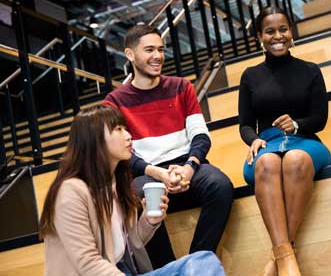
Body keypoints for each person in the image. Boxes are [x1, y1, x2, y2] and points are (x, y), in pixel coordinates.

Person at [39, 105, 226, 276]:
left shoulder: (115, 185)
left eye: (125, 129)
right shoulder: (71, 191)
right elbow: (88, 264)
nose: (128, 136)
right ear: (94, 140)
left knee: (204, 260)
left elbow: (131, 245)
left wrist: (149, 221)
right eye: (118, 130)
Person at [103, 24, 233, 268]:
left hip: (187, 167)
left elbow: (201, 137)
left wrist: (189, 168)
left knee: (220, 186)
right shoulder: (114, 101)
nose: (158, 56)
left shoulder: (181, 87)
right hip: (146, 173)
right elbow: (119, 153)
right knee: (141, 196)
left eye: (161, 50)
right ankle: (167, 270)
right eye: (149, 50)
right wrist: (157, 172)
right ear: (130, 55)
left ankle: (196, 264)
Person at [238, 6, 331, 276]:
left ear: (291, 32)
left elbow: (320, 118)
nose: (277, 36)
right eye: (270, 31)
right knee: (266, 162)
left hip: (305, 141)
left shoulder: (311, 70)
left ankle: (281, 257)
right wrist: (253, 139)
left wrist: (297, 124)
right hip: (265, 145)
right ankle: (287, 258)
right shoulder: (250, 76)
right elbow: (245, 124)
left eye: (283, 29)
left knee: (295, 159)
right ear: (259, 36)